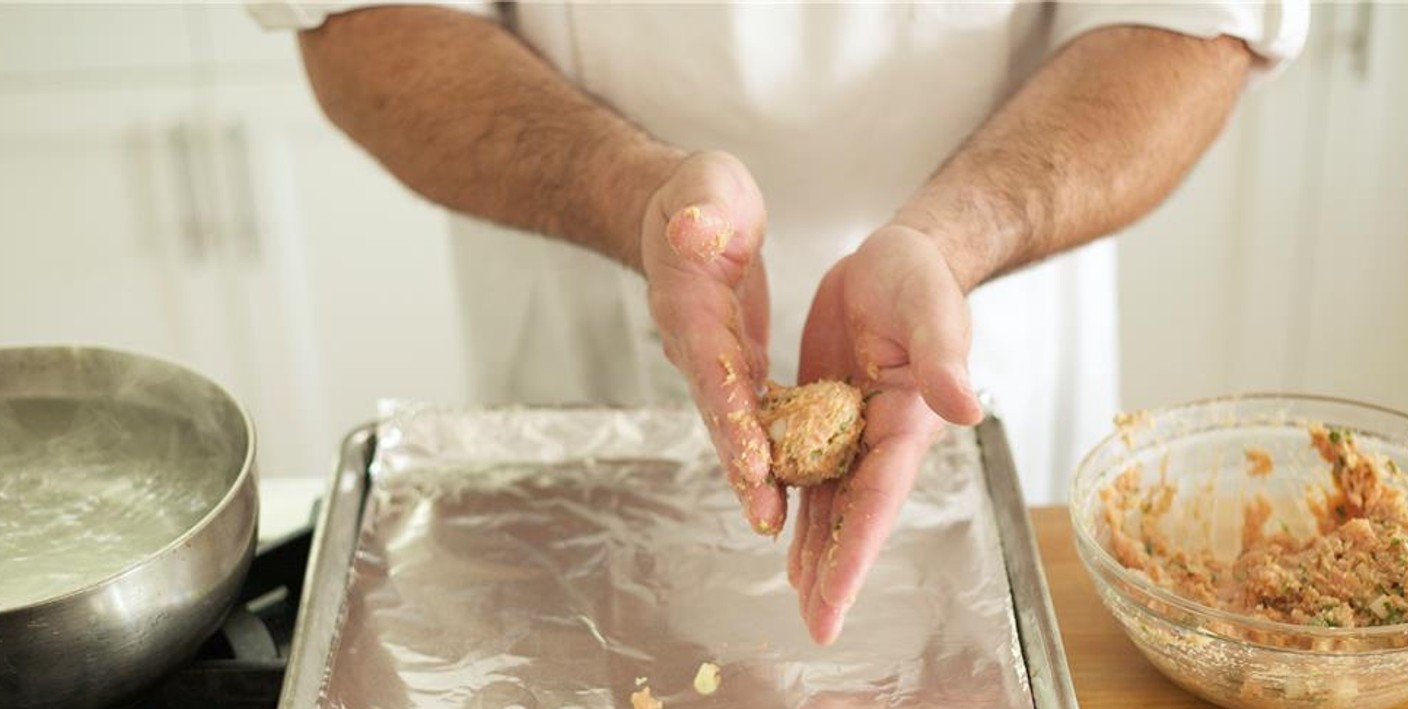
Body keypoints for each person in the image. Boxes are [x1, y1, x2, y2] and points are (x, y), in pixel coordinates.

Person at [252, 1, 1306, 644]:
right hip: (577, 384)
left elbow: (1192, 24)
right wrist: (629, 194)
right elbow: (361, 21)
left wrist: (954, 237)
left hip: (982, 353)